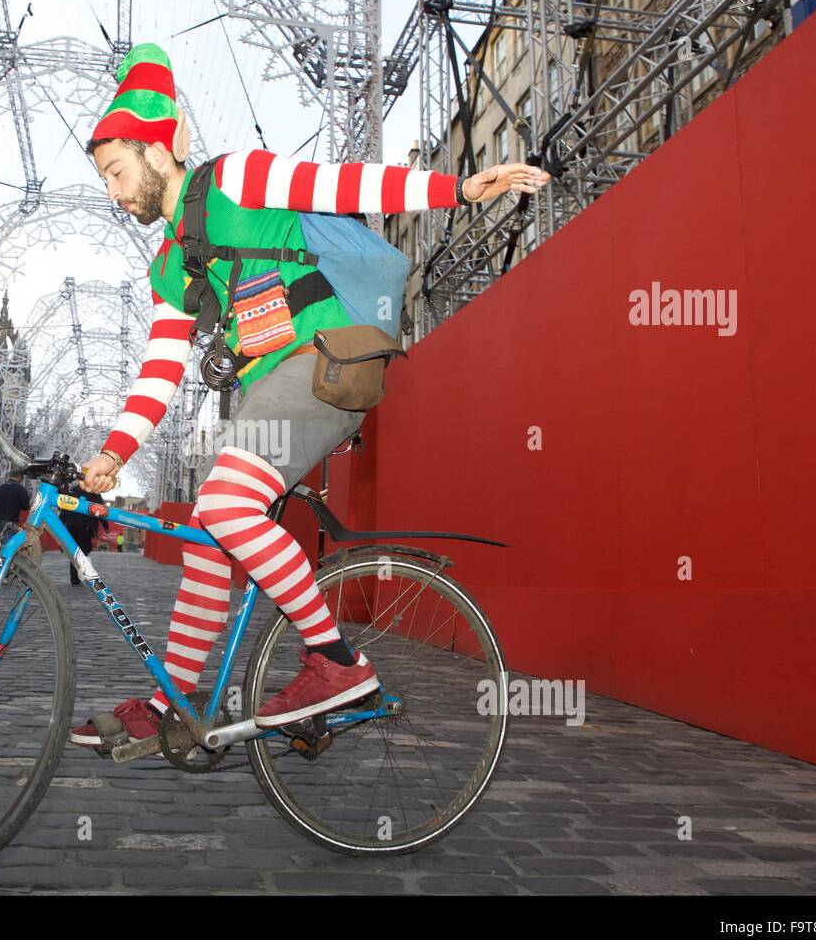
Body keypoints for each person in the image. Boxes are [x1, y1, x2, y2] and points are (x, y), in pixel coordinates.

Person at [70, 43, 551, 751]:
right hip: (273, 391)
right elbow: (159, 370)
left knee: (225, 503)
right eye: (104, 178)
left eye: (117, 170)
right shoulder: (172, 264)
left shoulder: (232, 179)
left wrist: (459, 189)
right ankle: (172, 701)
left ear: (163, 144)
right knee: (210, 528)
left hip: (327, 361)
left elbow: (344, 186)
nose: (113, 191)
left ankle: (334, 662)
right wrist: (115, 451)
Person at [59, 483, 105, 586]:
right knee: (84, 551)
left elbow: (64, 509)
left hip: (72, 525)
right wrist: (105, 525)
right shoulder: (95, 494)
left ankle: (75, 578)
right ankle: (82, 574)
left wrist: (62, 522)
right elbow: (101, 511)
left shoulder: (72, 491)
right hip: (86, 526)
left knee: (74, 551)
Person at [0, 468, 31, 536]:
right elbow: (25, 506)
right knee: (9, 543)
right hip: (11, 522)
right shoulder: (20, 489)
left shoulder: (0, 487)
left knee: (2, 542)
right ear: (20, 477)